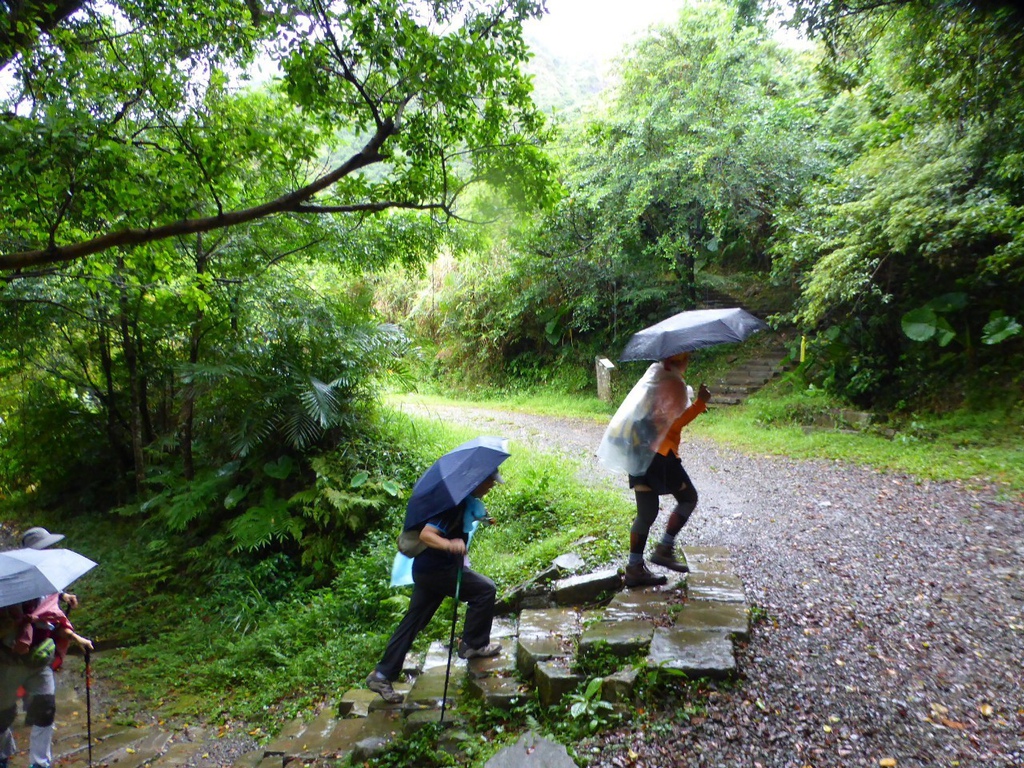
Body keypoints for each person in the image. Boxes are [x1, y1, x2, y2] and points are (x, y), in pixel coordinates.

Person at [366, 472, 503, 703]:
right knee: (485, 590)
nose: (491, 487)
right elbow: (427, 535)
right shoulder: (451, 505)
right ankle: (474, 645)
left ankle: (382, 674)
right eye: (490, 482)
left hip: (429, 570)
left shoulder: (463, 502)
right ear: (477, 481)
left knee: (413, 622)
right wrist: (450, 544)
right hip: (437, 571)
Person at [597, 352, 711, 587]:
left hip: (638, 450)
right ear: (679, 360)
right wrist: (700, 403)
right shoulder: (674, 383)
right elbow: (674, 422)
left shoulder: (653, 375)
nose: (689, 360)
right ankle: (664, 548)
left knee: (646, 512)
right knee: (688, 497)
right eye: (687, 357)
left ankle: (634, 568)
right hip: (660, 454)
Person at [0, 527, 93, 768]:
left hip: (39, 662)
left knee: (45, 713)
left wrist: (76, 638)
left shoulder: (45, 586)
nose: (49, 552)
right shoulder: (5, 589)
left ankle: (40, 764)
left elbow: (51, 624)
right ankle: (3, 756)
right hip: (8, 664)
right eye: (44, 548)